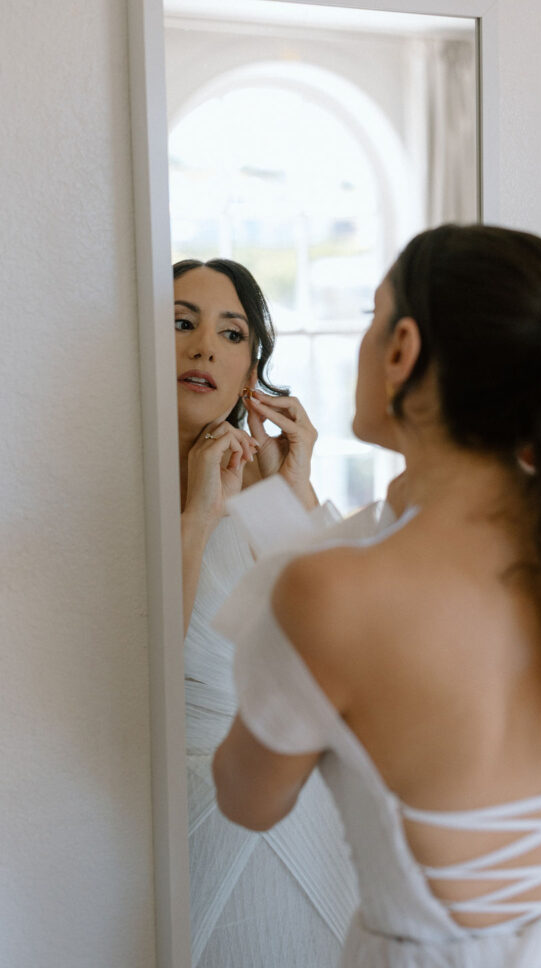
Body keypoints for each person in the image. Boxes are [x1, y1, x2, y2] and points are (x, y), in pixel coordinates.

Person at [212, 225, 541, 966]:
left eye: (370, 315)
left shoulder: (331, 596)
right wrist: (289, 509)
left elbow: (247, 800)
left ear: (402, 350)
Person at [176, 258, 359, 967]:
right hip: (184, 808)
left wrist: (297, 488)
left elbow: (337, 650)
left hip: (298, 802)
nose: (203, 349)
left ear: (252, 362)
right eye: (181, 323)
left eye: (231, 332)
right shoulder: (113, 477)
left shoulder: (264, 476)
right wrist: (197, 512)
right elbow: (137, 668)